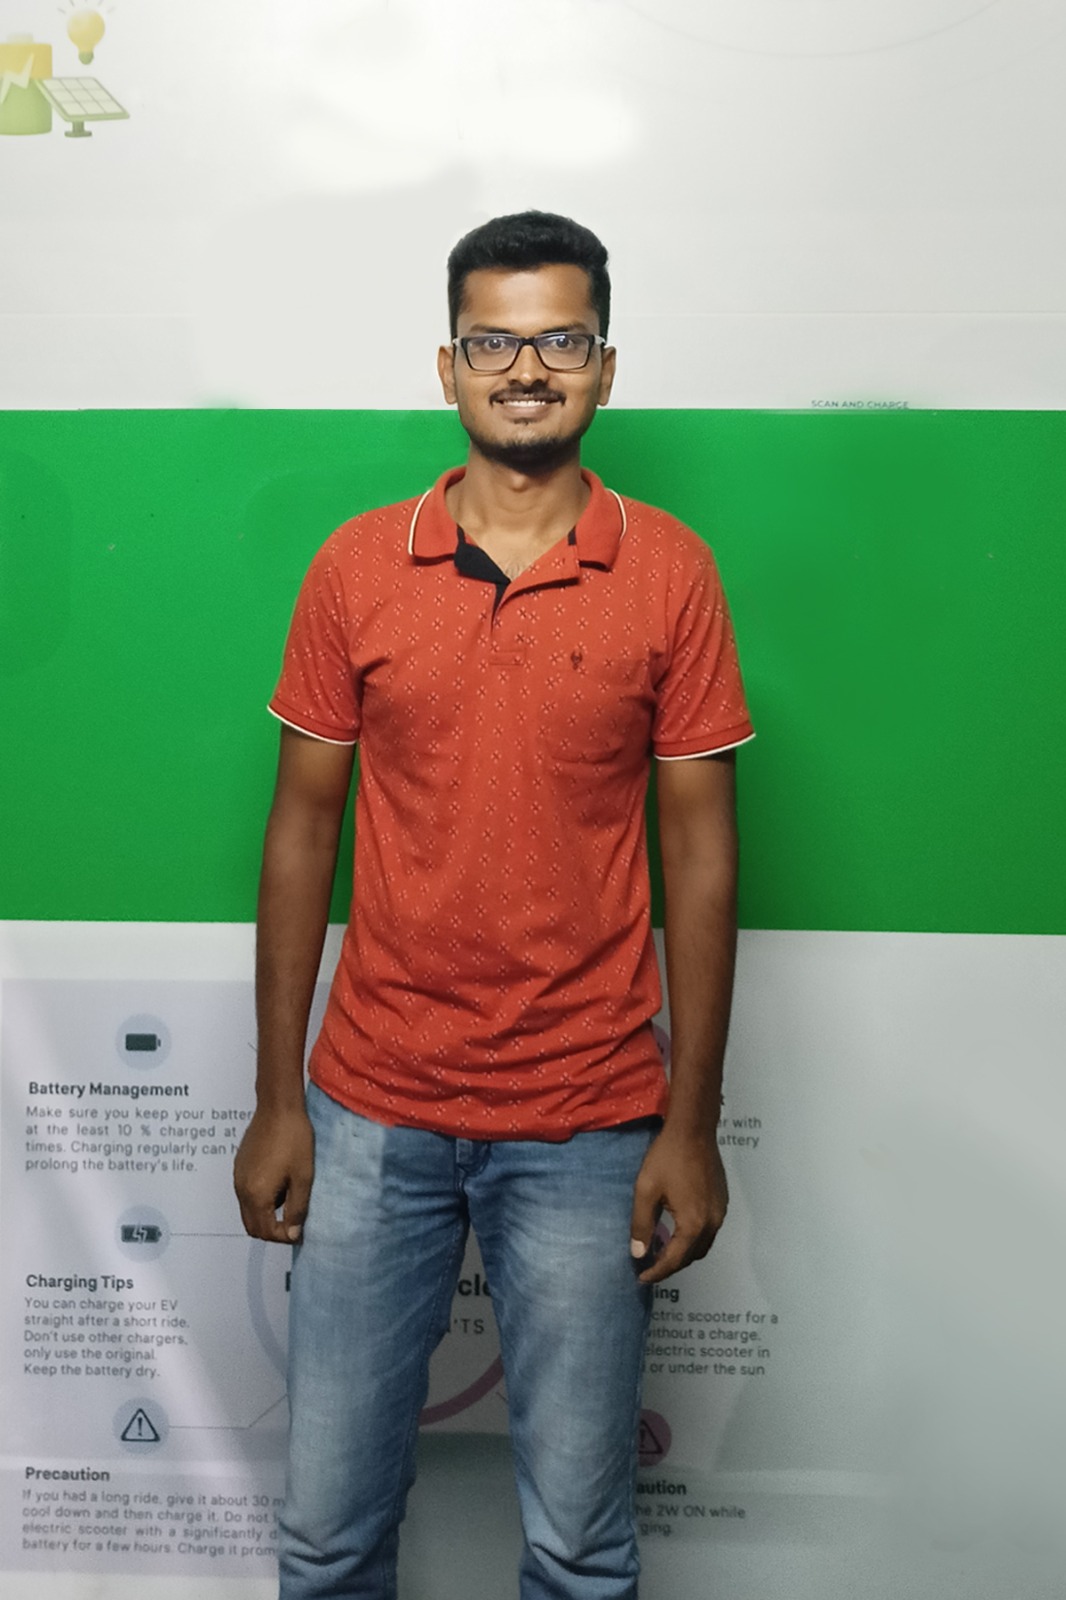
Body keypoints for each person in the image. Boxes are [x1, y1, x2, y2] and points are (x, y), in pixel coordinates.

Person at [234, 210, 754, 1600]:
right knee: (328, 1537)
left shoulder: (672, 572)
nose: (527, 368)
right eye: (494, 342)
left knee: (580, 1549)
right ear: (448, 366)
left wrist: (689, 1127)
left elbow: (704, 859)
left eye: (560, 340)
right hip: (372, 1108)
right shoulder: (356, 567)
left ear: (606, 367)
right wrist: (278, 1101)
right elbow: (301, 830)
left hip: (589, 1116)